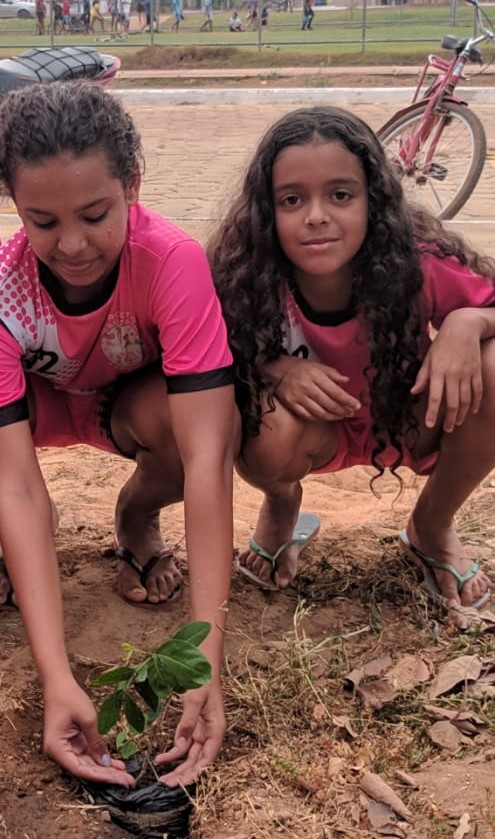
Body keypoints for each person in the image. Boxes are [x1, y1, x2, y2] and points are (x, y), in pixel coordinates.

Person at [0, 81, 237, 788]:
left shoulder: (171, 260)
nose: (72, 244)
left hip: (128, 406)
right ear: (13, 204)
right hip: (37, 413)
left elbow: (207, 456)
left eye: (96, 214)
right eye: (42, 221)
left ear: (132, 184)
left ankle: (136, 516)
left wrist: (204, 659)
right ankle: (28, 548)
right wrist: (56, 677)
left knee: (205, 419)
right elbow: (15, 483)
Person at [208, 105, 495, 615]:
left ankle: (431, 524)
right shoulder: (243, 275)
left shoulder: (418, 262)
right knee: (243, 408)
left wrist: (468, 323)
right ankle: (281, 505)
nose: (317, 215)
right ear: (266, 211)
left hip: (408, 419)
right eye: (292, 199)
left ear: (373, 200)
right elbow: (204, 351)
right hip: (307, 431)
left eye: (340, 195)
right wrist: (275, 370)